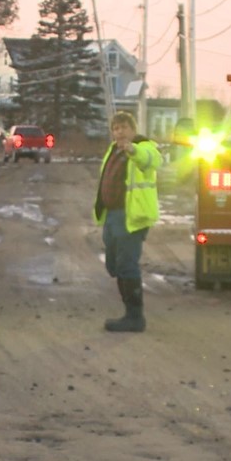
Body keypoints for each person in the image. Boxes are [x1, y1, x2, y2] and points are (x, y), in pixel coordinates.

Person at [93, 111, 161, 333]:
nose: (119, 132)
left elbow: (151, 159)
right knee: (113, 264)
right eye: (115, 128)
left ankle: (134, 316)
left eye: (123, 127)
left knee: (126, 265)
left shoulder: (144, 146)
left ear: (133, 129)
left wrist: (133, 150)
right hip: (112, 215)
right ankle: (130, 310)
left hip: (131, 216)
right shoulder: (112, 150)